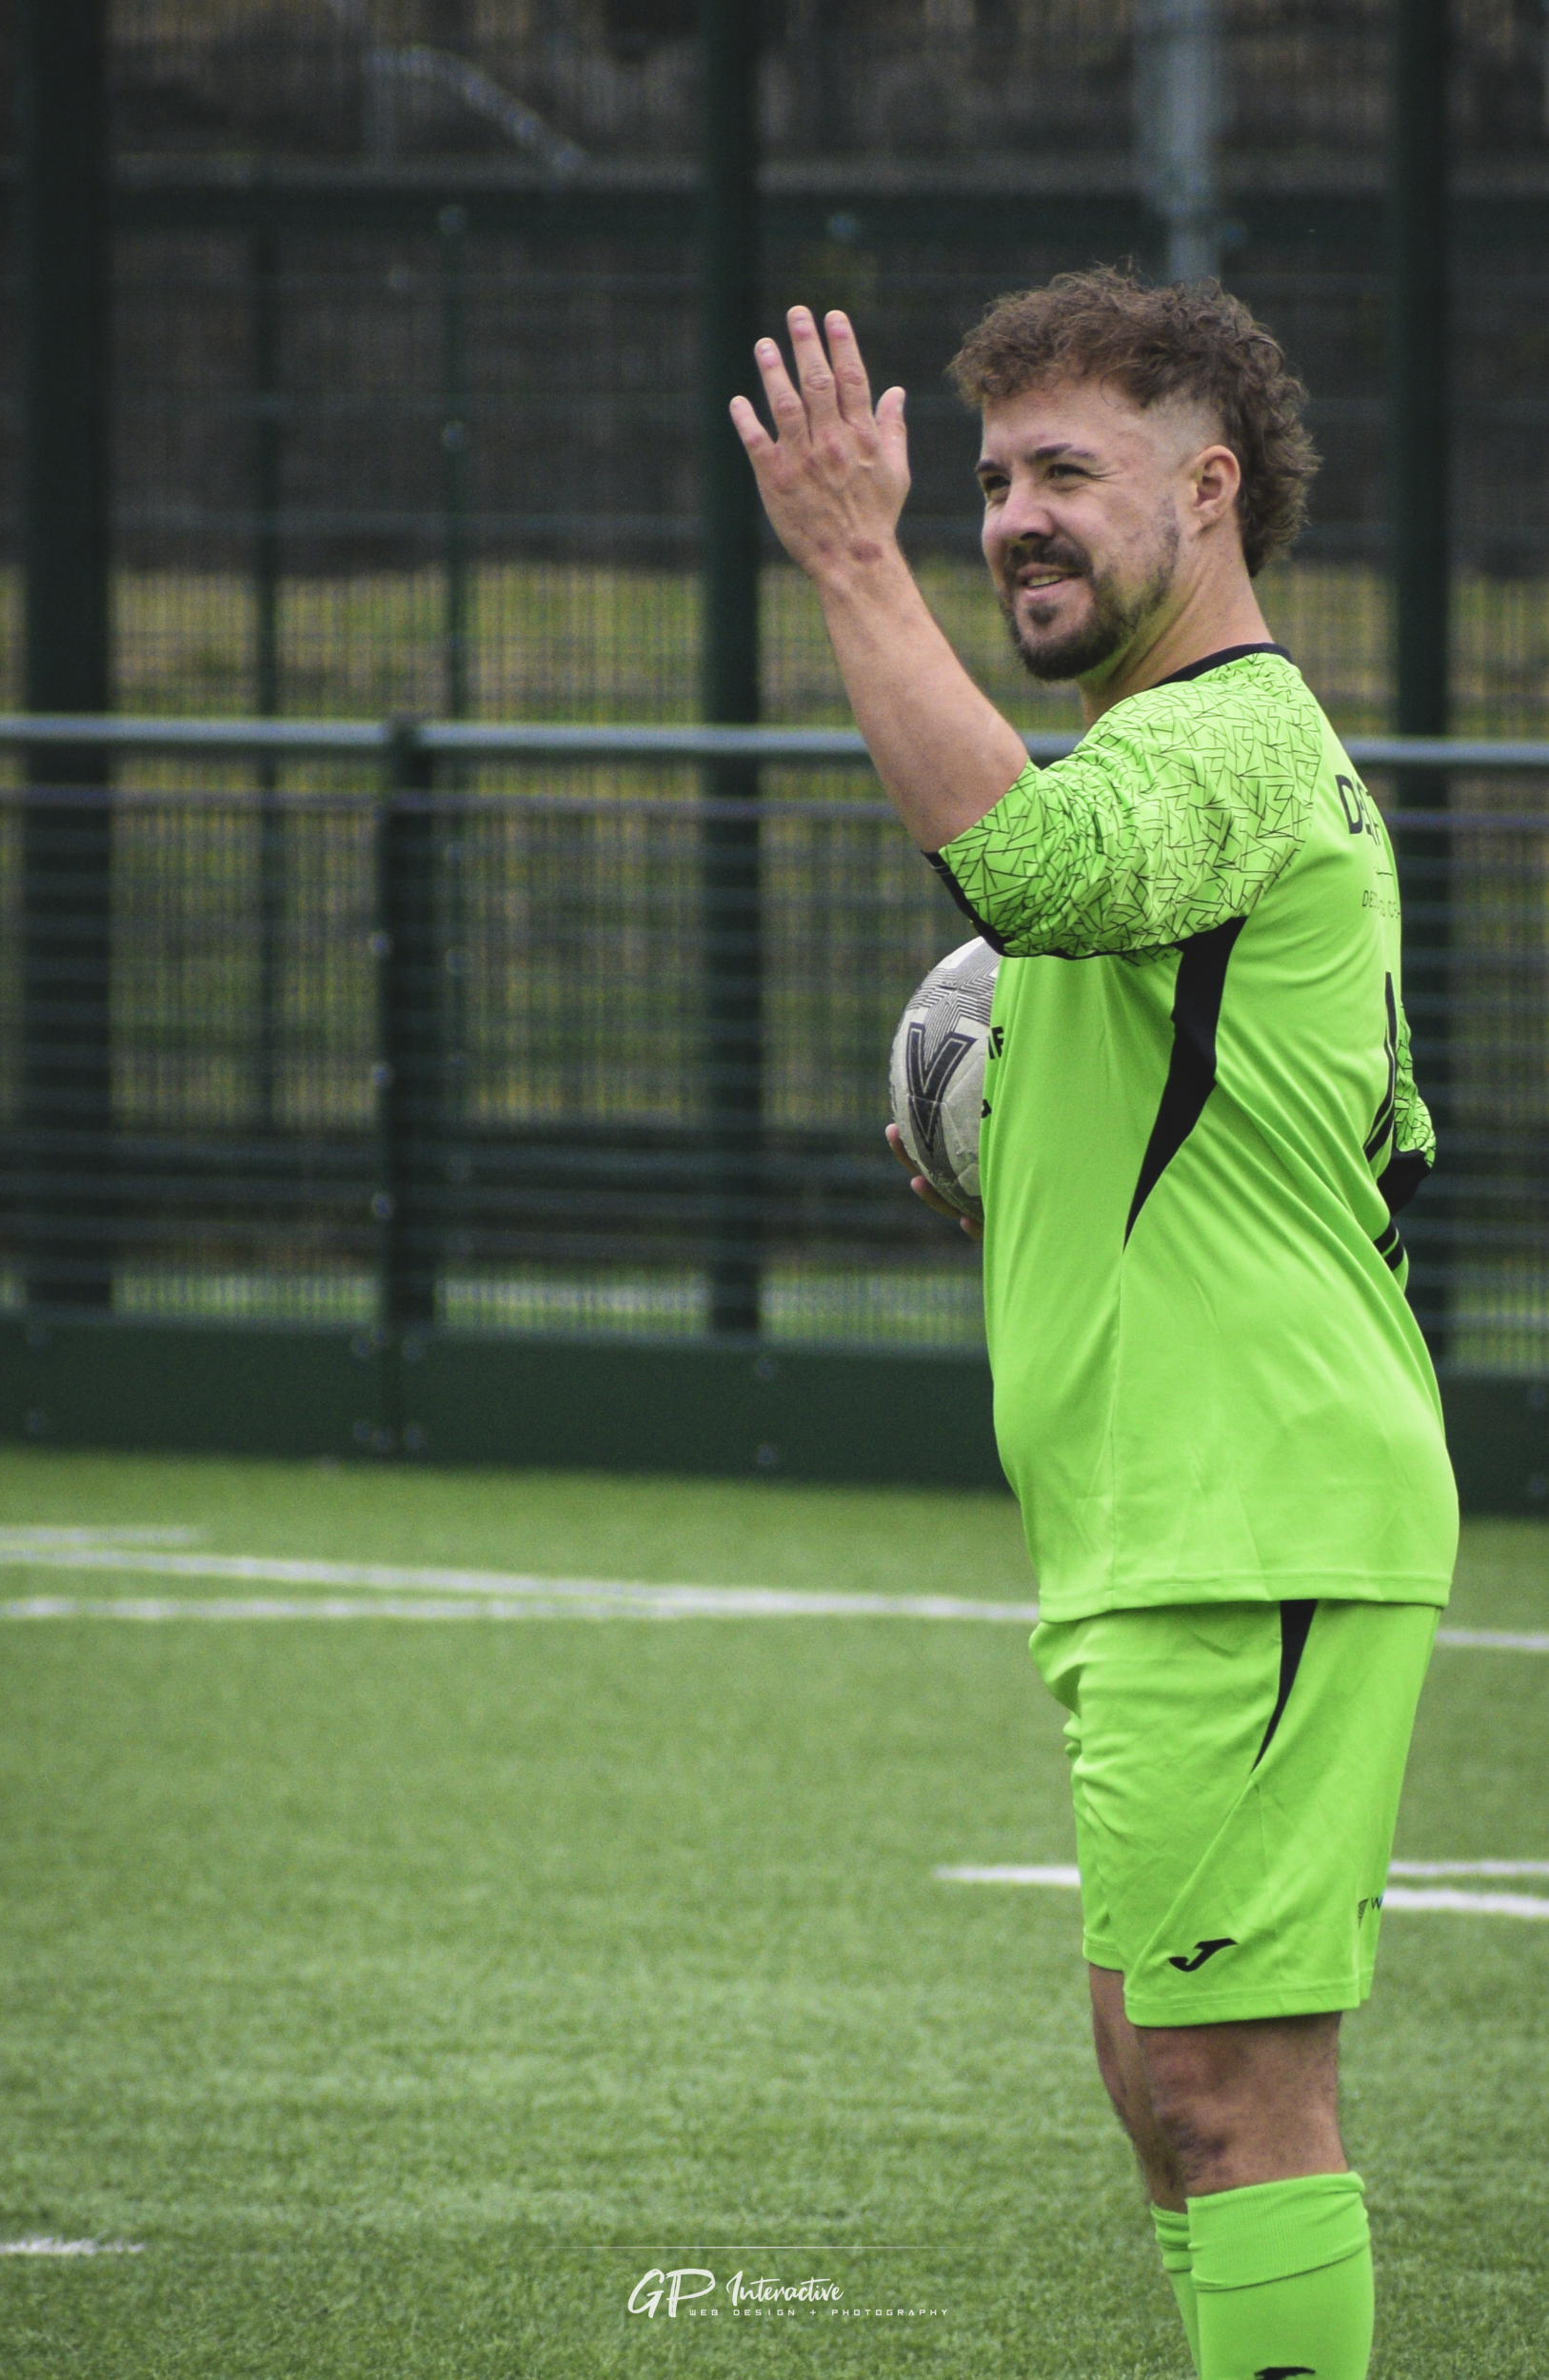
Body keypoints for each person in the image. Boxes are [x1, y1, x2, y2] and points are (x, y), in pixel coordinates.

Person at [730, 267, 1458, 2380]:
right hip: (1168, 1527)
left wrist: (852, 557)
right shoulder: (1197, 766)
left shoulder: (1231, 733)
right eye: (985, 481)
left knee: (1233, 2096)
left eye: (1070, 471)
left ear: (1207, 492)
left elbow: (1028, 865)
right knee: (1162, 2085)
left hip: (1259, 1518)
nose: (1014, 515)